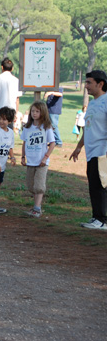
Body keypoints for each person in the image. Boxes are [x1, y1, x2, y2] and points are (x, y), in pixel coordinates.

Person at [70, 71, 107, 230]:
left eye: (89, 83)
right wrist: (79, 147)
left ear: (100, 84)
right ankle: (96, 217)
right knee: (93, 184)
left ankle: (102, 220)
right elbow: (88, 128)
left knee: (100, 186)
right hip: (91, 152)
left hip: (102, 151)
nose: (86, 86)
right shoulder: (92, 103)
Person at [21, 101, 55, 218]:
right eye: (32, 111)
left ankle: (37, 208)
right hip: (31, 160)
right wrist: (23, 156)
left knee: (39, 186)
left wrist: (46, 157)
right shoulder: (27, 127)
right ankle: (35, 206)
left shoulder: (46, 127)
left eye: (37, 111)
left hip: (41, 161)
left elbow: (52, 143)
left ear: (42, 112)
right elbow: (24, 143)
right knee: (31, 186)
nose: (34, 113)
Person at [0, 58, 21, 131]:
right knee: (8, 131)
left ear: (2, 67)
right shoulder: (16, 80)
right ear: (12, 68)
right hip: (11, 110)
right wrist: (16, 112)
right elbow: (17, 98)